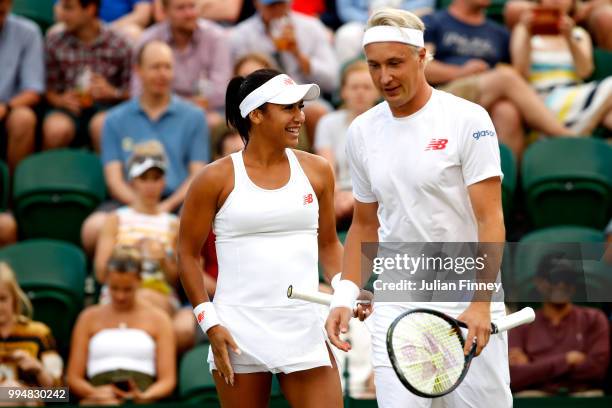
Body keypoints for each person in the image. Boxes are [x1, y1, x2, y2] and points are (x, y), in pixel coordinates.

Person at [325, 8, 511, 408]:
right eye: (374, 66)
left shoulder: (468, 119)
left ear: (422, 57)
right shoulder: (361, 131)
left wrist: (480, 303)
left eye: (395, 63)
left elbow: (490, 219)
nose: (384, 77)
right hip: (400, 295)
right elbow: (363, 225)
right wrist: (345, 292)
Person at [177, 68, 346, 407]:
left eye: (300, 107)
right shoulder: (214, 178)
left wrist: (345, 289)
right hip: (237, 329)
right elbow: (186, 254)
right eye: (289, 108)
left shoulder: (318, 170)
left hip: (302, 327)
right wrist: (209, 323)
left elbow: (328, 244)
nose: (300, 117)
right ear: (255, 114)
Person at [81, 40, 209, 254]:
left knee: (201, 232)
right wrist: (142, 209)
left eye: (167, 67)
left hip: (175, 202)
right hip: (128, 201)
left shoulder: (194, 117)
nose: (162, 74)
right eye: (155, 67)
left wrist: (163, 208)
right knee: (92, 229)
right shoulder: (114, 119)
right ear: (138, 70)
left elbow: (197, 176)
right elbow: (114, 179)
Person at [422, 0, 575, 159]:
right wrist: (460, 72)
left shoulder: (498, 32)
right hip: (443, 96)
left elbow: (520, 77)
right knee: (505, 77)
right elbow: (423, 67)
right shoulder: (434, 21)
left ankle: (505, 180)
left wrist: (525, 31)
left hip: (484, 96)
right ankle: (565, 136)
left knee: (507, 111)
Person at [66, 246, 176, 405]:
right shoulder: (88, 318)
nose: (120, 296)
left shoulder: (159, 319)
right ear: (107, 282)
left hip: (142, 395)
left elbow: (167, 380)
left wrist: (146, 396)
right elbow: (73, 377)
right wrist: (95, 393)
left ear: (139, 281)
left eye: (127, 289)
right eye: (114, 288)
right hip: (98, 396)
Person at [230, 0, 340, 146]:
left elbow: (332, 81)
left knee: (317, 112)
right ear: (257, 4)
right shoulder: (241, 35)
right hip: (262, 101)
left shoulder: (311, 27)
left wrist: (298, 55)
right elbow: (237, 81)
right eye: (271, 5)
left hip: (303, 97)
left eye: (280, 3)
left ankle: (308, 162)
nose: (277, 10)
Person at [94, 141, 179, 315]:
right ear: (133, 181)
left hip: (159, 294)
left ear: (163, 182)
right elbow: (101, 274)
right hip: (119, 292)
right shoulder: (116, 219)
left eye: (156, 178)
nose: (150, 186)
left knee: (144, 298)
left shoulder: (174, 224)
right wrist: (131, 255)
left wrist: (162, 259)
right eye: (144, 178)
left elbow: (177, 282)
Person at [509, 255, 610, 395]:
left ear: (574, 284)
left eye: (567, 279)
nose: (561, 285)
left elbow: (597, 370)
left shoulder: (594, 318)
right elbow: (513, 376)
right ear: (538, 282)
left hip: (583, 395)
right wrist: (567, 360)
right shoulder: (522, 323)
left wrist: (534, 366)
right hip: (536, 397)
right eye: (554, 279)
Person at [510, 0, 612, 136]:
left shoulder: (579, 34)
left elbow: (585, 72)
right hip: (540, 102)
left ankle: (584, 128)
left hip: (575, 97)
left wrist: (569, 38)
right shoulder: (523, 29)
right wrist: (528, 36)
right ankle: (584, 131)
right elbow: (520, 74)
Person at [43, 0, 131, 152]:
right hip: (68, 109)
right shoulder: (54, 42)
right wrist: (61, 100)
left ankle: (109, 174)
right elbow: (47, 90)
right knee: (55, 129)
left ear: (90, 9)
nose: (61, 14)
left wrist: (112, 92)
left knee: (102, 125)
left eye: (68, 8)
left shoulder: (119, 43)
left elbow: (133, 93)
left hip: (106, 108)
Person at [133, 0, 232, 117]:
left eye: (192, 6)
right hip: (159, 112)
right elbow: (138, 91)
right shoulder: (148, 40)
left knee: (213, 120)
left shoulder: (216, 38)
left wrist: (177, 105)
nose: (189, 13)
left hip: (205, 112)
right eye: (181, 8)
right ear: (165, 12)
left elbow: (221, 92)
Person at [315, 60, 380, 228]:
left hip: (375, 197)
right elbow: (326, 168)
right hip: (337, 196)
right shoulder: (328, 122)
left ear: (377, 92)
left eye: (366, 87)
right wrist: (335, 195)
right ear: (343, 91)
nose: (360, 93)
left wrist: (355, 199)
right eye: (354, 87)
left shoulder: (387, 124)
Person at [0, 263, 63, 388]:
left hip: (28, 399)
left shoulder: (39, 333)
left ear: (14, 298)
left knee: (10, 389)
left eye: (2, 299)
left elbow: (59, 394)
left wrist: (38, 369)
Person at [0, 0, 43, 173]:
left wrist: (5, 107)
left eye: (1, 13)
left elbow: (33, 91)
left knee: (23, 119)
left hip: (8, 109)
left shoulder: (27, 31)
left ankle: (11, 195)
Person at [504, 0, 612, 51]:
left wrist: (588, 7)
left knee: (607, 16)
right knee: (514, 8)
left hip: (585, 9)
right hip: (540, 6)